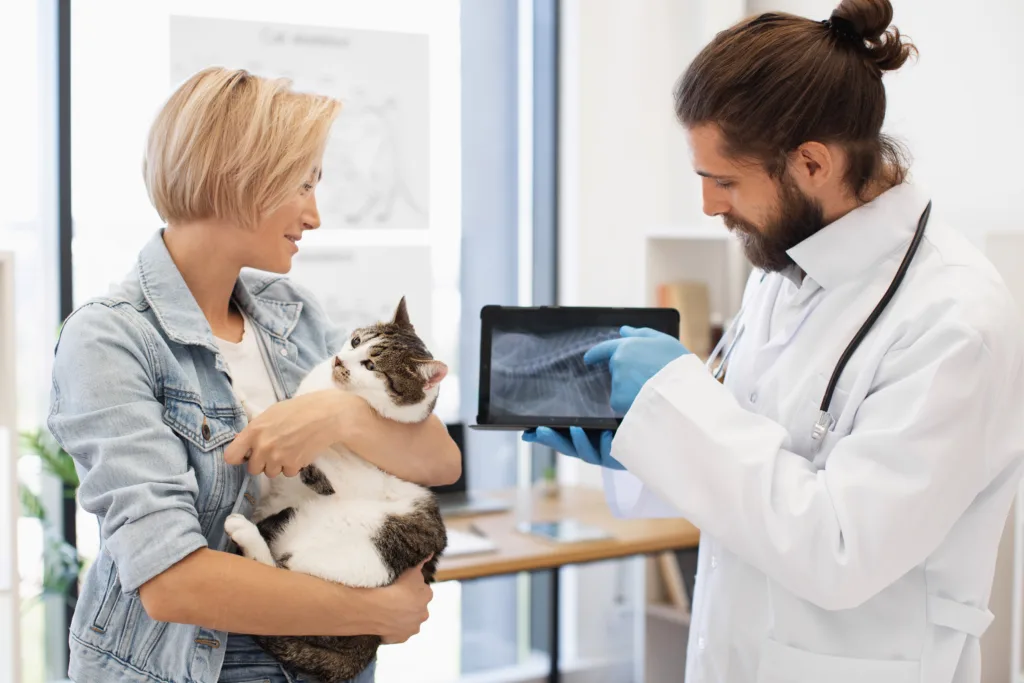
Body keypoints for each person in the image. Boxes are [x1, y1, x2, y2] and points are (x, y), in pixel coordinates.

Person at [525, 1, 1024, 681]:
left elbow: (843, 549)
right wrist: (647, 447)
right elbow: (753, 477)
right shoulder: (785, 262)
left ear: (812, 163)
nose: (709, 205)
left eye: (724, 181)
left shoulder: (954, 318)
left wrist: (680, 404)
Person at [47, 67, 461, 683]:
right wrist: (375, 612)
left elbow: (441, 462)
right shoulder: (109, 339)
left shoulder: (290, 312)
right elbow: (172, 582)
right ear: (237, 177)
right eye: (303, 185)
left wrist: (337, 413)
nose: (314, 215)